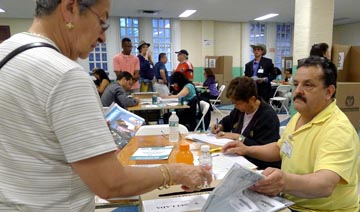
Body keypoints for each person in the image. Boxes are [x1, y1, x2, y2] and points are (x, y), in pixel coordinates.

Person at [0, 1, 212, 211]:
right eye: (102, 22)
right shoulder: (65, 75)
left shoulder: (7, 51)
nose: (102, 37)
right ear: (70, 8)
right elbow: (111, 183)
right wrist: (175, 172)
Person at [222, 56, 359, 211]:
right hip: (288, 201)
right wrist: (246, 149)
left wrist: (284, 181)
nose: (298, 91)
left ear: (329, 92)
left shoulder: (338, 129)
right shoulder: (299, 116)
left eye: (308, 85)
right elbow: (281, 148)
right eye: (296, 84)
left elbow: (325, 184)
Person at [210, 76, 281, 169]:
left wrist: (239, 137)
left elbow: (265, 150)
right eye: (233, 102)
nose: (235, 106)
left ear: (251, 100)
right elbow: (228, 120)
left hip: (261, 167)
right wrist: (220, 126)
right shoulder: (240, 110)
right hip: (241, 160)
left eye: (237, 103)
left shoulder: (268, 117)